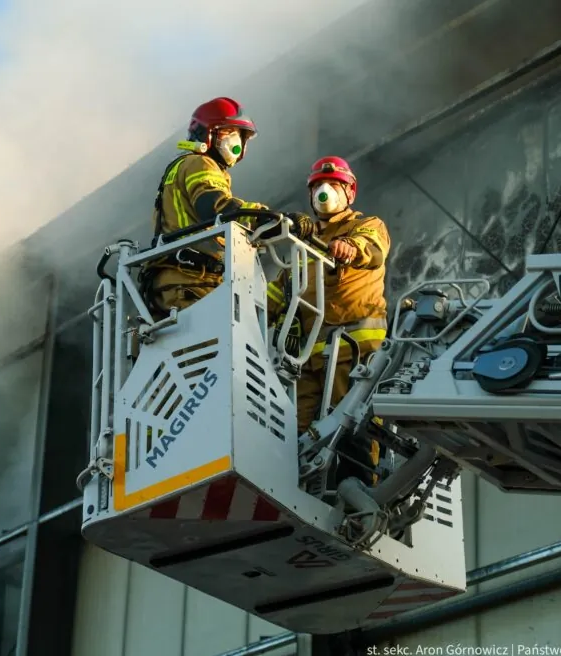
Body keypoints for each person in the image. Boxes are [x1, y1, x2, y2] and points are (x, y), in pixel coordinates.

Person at [142, 97, 316, 316]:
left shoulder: (182, 167)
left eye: (239, 135)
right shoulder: (200, 162)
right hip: (190, 282)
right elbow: (216, 206)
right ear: (207, 134)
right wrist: (271, 219)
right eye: (228, 132)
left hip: (180, 283)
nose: (236, 141)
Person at [267, 156, 390, 464]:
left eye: (334, 185)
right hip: (308, 363)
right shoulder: (304, 245)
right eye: (318, 186)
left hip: (354, 356)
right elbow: (275, 293)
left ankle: (358, 488)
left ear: (350, 192)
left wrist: (350, 247)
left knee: (353, 433)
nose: (325, 192)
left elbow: (371, 249)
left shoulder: (366, 226)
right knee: (294, 438)